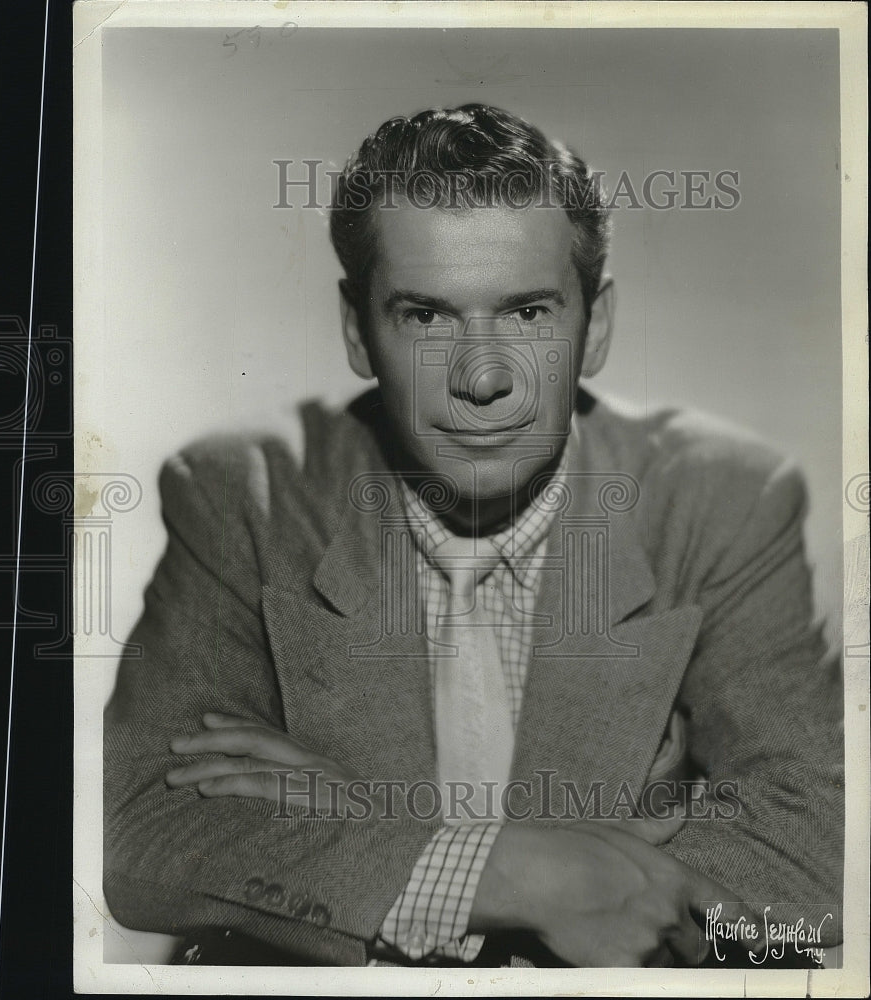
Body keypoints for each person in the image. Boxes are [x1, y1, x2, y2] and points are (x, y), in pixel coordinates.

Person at [103, 104, 844, 968]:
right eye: (425, 316)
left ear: (593, 326)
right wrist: (533, 878)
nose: (483, 377)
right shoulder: (247, 493)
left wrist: (381, 825)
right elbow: (144, 839)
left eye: (527, 314)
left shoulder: (723, 497)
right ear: (357, 331)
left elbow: (817, 857)